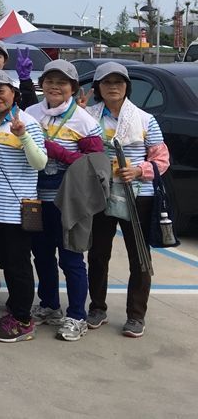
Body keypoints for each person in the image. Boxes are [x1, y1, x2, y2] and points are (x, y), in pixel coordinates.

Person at [85, 62, 170, 339]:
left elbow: (161, 159)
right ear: (98, 87)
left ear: (127, 87)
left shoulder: (145, 119)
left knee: (139, 256)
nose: (113, 87)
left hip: (138, 195)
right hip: (100, 193)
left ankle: (136, 315)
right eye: (107, 82)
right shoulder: (87, 116)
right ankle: (97, 308)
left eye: (119, 82)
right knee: (98, 254)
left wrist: (139, 170)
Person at [25, 60, 104, 342]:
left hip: (70, 201)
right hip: (36, 199)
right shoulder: (31, 113)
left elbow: (95, 165)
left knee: (71, 259)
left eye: (62, 83)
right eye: (50, 81)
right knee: (42, 255)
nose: (55, 87)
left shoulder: (85, 121)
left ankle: (77, 316)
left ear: (72, 88)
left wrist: (57, 151)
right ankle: (49, 304)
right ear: (42, 84)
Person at [0, 69, 47, 343]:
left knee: (18, 265)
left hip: (18, 208)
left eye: (0, 91)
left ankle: (23, 321)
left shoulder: (26, 122)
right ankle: (14, 311)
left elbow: (39, 163)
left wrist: (23, 136)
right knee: (6, 261)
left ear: (14, 93)